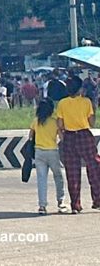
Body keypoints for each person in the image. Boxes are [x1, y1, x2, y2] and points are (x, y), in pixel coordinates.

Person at [56, 76, 100, 214]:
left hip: (69, 137)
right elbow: (92, 122)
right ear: (80, 88)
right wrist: (93, 108)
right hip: (84, 136)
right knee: (94, 167)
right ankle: (97, 200)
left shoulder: (62, 103)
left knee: (72, 171)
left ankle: (75, 204)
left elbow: (60, 124)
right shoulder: (86, 102)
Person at [29, 100, 69, 215]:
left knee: (42, 179)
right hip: (52, 152)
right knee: (58, 176)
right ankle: (60, 201)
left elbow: (30, 136)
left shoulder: (36, 121)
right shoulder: (55, 122)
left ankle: (42, 206)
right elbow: (62, 138)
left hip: (39, 153)